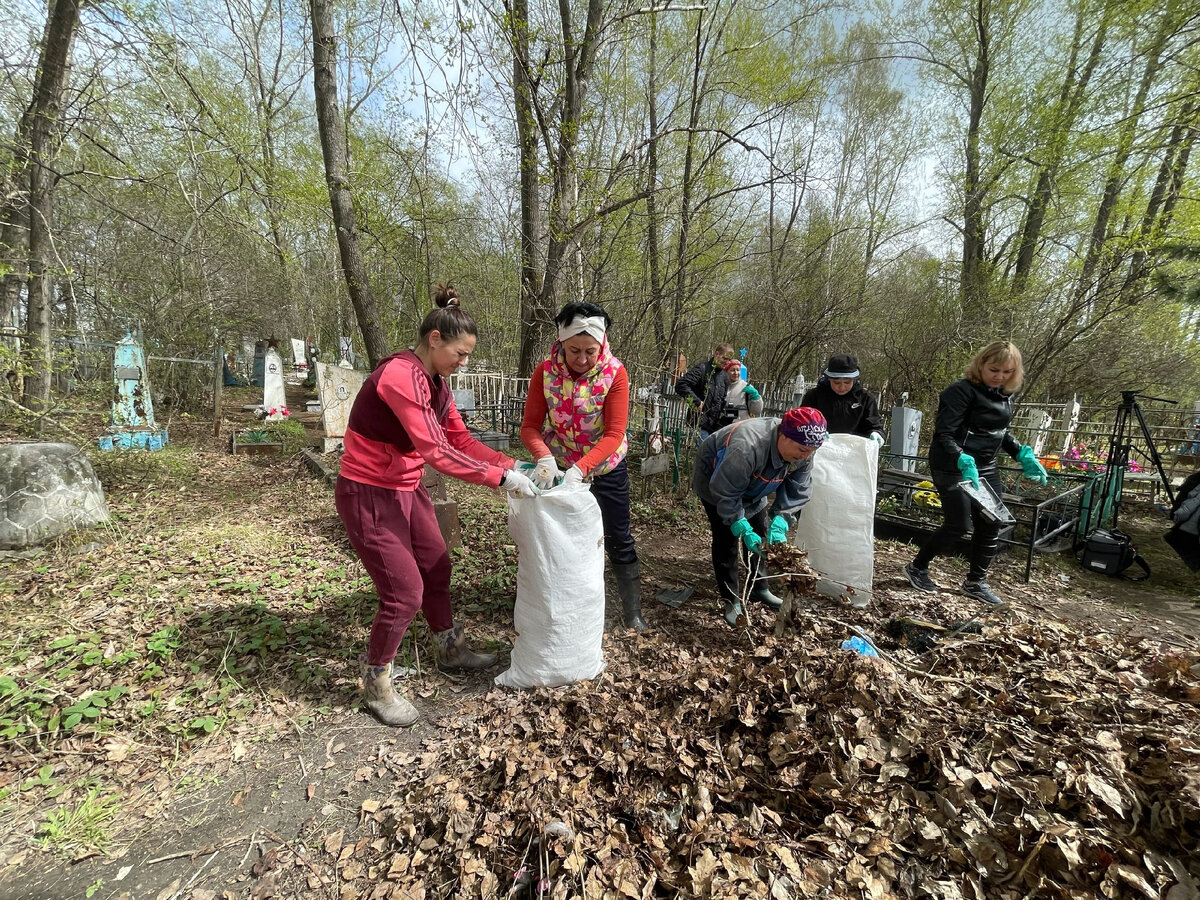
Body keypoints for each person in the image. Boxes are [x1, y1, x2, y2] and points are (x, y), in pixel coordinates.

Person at [335, 284, 540, 727]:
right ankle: (375, 683)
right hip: (369, 491)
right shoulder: (398, 376)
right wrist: (500, 479)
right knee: (403, 592)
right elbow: (434, 450)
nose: (464, 363)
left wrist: (512, 462)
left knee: (436, 566)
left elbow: (460, 439)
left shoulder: (438, 384)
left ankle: (450, 648)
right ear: (434, 340)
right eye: (461, 354)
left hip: (406, 488)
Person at [520, 301, 647, 632]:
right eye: (574, 350)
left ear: (602, 343)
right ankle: (567, 606)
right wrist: (544, 457)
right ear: (561, 342)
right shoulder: (544, 372)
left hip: (606, 469)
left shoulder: (615, 374)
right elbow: (530, 426)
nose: (581, 359)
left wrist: (584, 467)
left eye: (590, 351)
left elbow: (615, 433)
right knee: (565, 539)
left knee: (618, 536)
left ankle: (631, 612)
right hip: (560, 468)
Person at [903, 341, 1048, 605]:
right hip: (951, 462)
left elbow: (999, 431)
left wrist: (1021, 454)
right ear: (980, 364)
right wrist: (960, 457)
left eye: (1007, 372)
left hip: (986, 465)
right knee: (958, 524)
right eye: (994, 369)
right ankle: (917, 567)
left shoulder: (1004, 395)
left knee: (992, 522)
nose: (999, 376)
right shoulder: (960, 391)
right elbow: (944, 434)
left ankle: (976, 582)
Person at [692, 408, 827, 626]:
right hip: (717, 481)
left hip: (758, 482)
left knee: (762, 531)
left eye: (812, 451)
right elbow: (726, 492)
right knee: (726, 537)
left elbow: (798, 489)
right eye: (802, 449)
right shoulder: (747, 448)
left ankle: (759, 587)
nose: (806, 456)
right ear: (783, 434)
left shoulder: (804, 451)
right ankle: (731, 599)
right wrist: (741, 527)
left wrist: (782, 519)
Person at [800, 353, 884, 444]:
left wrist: (877, 434)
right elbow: (803, 421)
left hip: (855, 451)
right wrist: (814, 432)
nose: (842, 387)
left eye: (847, 382)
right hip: (820, 448)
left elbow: (874, 425)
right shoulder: (814, 396)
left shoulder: (865, 399)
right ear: (829, 379)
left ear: (854, 380)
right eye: (837, 383)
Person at [698, 357, 763, 436]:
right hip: (722, 431)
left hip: (742, 431)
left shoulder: (747, 388)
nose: (736, 373)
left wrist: (756, 398)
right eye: (732, 370)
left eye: (738, 370)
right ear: (726, 371)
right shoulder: (720, 387)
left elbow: (756, 411)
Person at [675, 342, 736, 426]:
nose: (727, 362)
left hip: (714, 426)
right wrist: (696, 402)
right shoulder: (702, 369)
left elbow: (721, 401)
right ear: (717, 354)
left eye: (730, 359)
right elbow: (681, 385)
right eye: (725, 358)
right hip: (698, 424)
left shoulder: (724, 377)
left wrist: (728, 416)